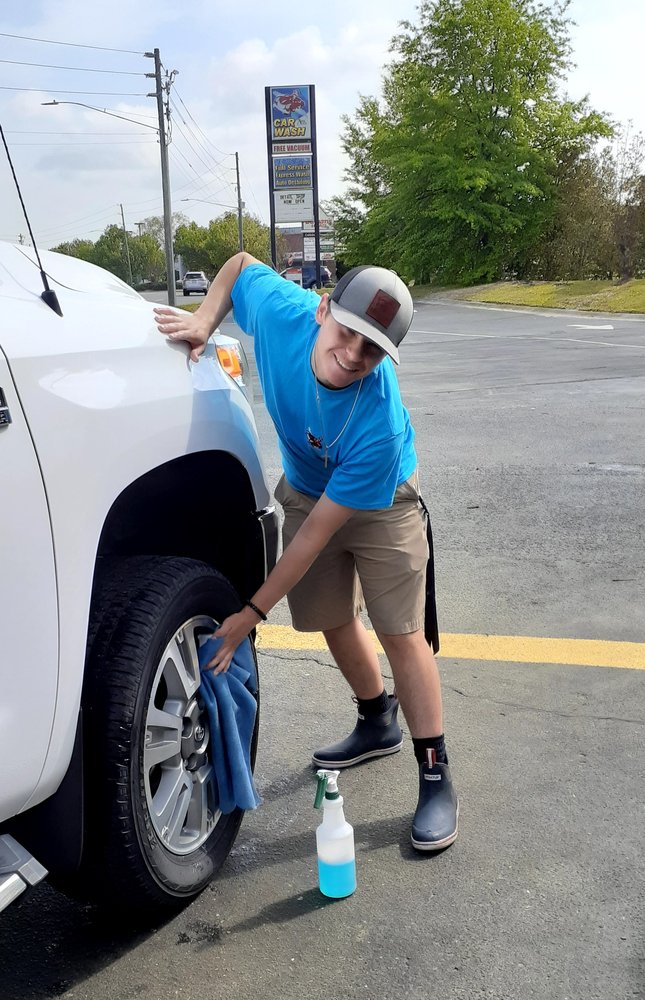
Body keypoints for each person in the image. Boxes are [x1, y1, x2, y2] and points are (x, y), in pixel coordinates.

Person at [154, 253, 458, 851]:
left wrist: (250, 614)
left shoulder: (377, 422)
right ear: (323, 309)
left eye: (372, 350)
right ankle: (376, 719)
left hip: (381, 496)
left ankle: (435, 772)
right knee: (329, 616)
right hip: (307, 483)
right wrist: (203, 320)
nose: (353, 355)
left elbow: (318, 533)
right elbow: (240, 267)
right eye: (347, 332)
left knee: (401, 633)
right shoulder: (282, 314)